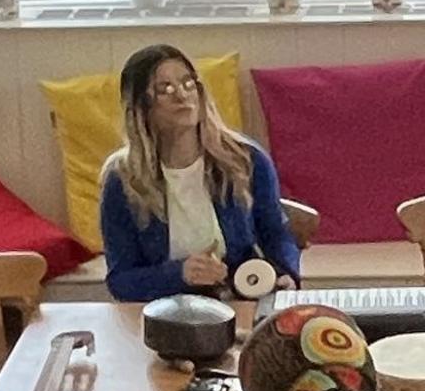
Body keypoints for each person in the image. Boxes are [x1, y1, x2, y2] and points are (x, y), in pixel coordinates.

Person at [100, 44, 300, 301]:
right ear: (141, 107)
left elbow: (276, 234)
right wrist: (179, 274)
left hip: (239, 302)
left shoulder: (246, 160)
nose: (182, 96)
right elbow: (121, 281)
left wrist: (285, 273)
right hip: (165, 315)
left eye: (188, 83)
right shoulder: (123, 180)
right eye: (165, 89)